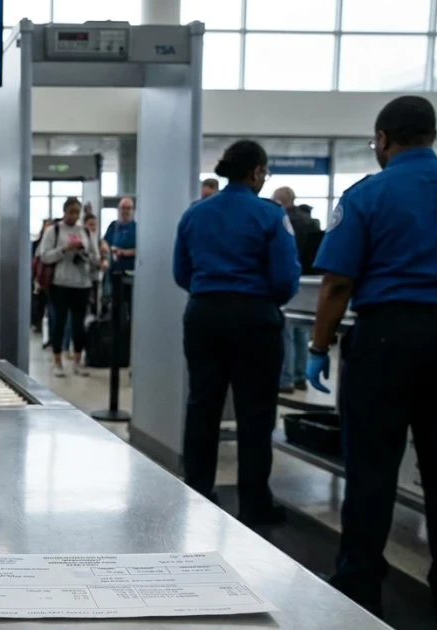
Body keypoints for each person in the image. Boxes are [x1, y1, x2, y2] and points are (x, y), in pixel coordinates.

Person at [306, 95, 437, 625]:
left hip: (387, 340)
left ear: (382, 139)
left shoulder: (366, 194)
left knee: (371, 468)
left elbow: (337, 283)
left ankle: (359, 587)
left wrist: (318, 348)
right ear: (432, 135)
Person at [172, 140, 300, 527]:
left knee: (202, 407)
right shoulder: (271, 215)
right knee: (255, 413)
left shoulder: (195, 213)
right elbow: (285, 278)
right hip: (254, 319)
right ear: (257, 171)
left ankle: (197, 493)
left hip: (204, 315)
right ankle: (254, 505)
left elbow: (181, 272)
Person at [38, 198, 100, 377]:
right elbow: (44, 256)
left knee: (78, 324)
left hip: (82, 284)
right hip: (60, 284)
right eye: (71, 212)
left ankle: (78, 361)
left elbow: (95, 257)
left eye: (77, 212)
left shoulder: (86, 232)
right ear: (64, 212)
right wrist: (64, 250)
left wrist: (84, 253)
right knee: (59, 322)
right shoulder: (54, 231)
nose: (74, 216)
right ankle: (57, 361)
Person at [271, 186, 321, 393]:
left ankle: (286, 379)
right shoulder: (311, 221)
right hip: (310, 280)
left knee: (287, 331)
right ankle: (301, 376)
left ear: (279, 201)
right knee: (303, 330)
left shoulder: (281, 221)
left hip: (289, 277)